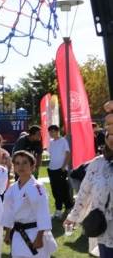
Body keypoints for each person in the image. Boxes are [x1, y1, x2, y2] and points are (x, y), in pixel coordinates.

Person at [64, 100, 113, 257]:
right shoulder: (98, 164)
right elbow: (84, 192)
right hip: (105, 230)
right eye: (109, 134)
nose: (111, 137)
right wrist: (73, 217)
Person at [3, 151, 57, 257]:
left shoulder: (37, 187)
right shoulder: (12, 188)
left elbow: (43, 212)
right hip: (18, 234)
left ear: (32, 166)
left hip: (34, 233)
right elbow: (8, 211)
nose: (21, 166)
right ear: (13, 166)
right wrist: (8, 233)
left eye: (24, 163)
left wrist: (39, 237)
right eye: (17, 163)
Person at [44, 125, 73, 219]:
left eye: (53, 131)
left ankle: (60, 210)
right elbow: (50, 155)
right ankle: (64, 208)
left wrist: (63, 167)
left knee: (61, 190)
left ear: (57, 131)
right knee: (55, 190)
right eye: (50, 132)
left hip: (60, 169)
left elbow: (68, 154)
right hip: (52, 169)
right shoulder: (51, 142)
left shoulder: (63, 141)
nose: (51, 133)